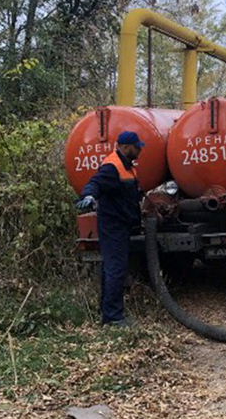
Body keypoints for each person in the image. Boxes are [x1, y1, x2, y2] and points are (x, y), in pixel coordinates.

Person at [75, 131, 144, 326]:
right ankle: (114, 317)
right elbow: (95, 183)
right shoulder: (112, 166)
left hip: (121, 224)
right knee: (116, 269)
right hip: (113, 226)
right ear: (124, 147)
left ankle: (106, 312)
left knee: (111, 268)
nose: (139, 149)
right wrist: (88, 196)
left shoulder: (127, 166)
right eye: (136, 146)